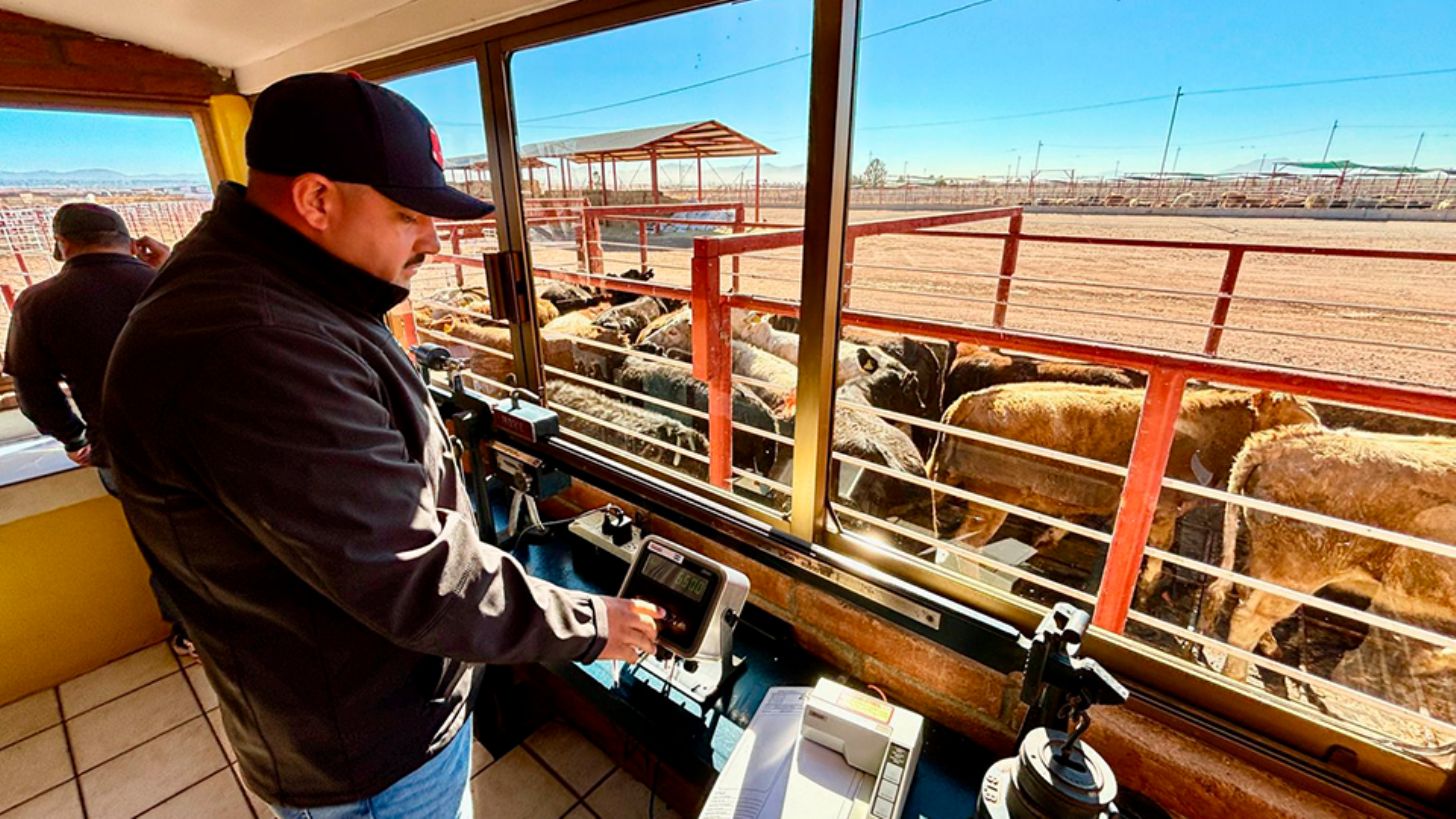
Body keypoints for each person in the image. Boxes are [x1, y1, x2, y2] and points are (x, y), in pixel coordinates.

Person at [101, 72, 662, 818]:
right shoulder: (254, 342)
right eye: (408, 214)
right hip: (368, 752)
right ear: (316, 198)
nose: (432, 239)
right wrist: (591, 624)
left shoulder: (288, 289)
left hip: (364, 702)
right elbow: (412, 573)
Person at [2, 203, 194, 655]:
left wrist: (73, 437)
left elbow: (33, 390)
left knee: (165, 545)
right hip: (204, 441)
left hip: (126, 453)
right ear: (131, 242)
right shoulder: (168, 282)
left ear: (62, 245)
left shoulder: (39, 302)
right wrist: (170, 267)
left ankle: (192, 632)